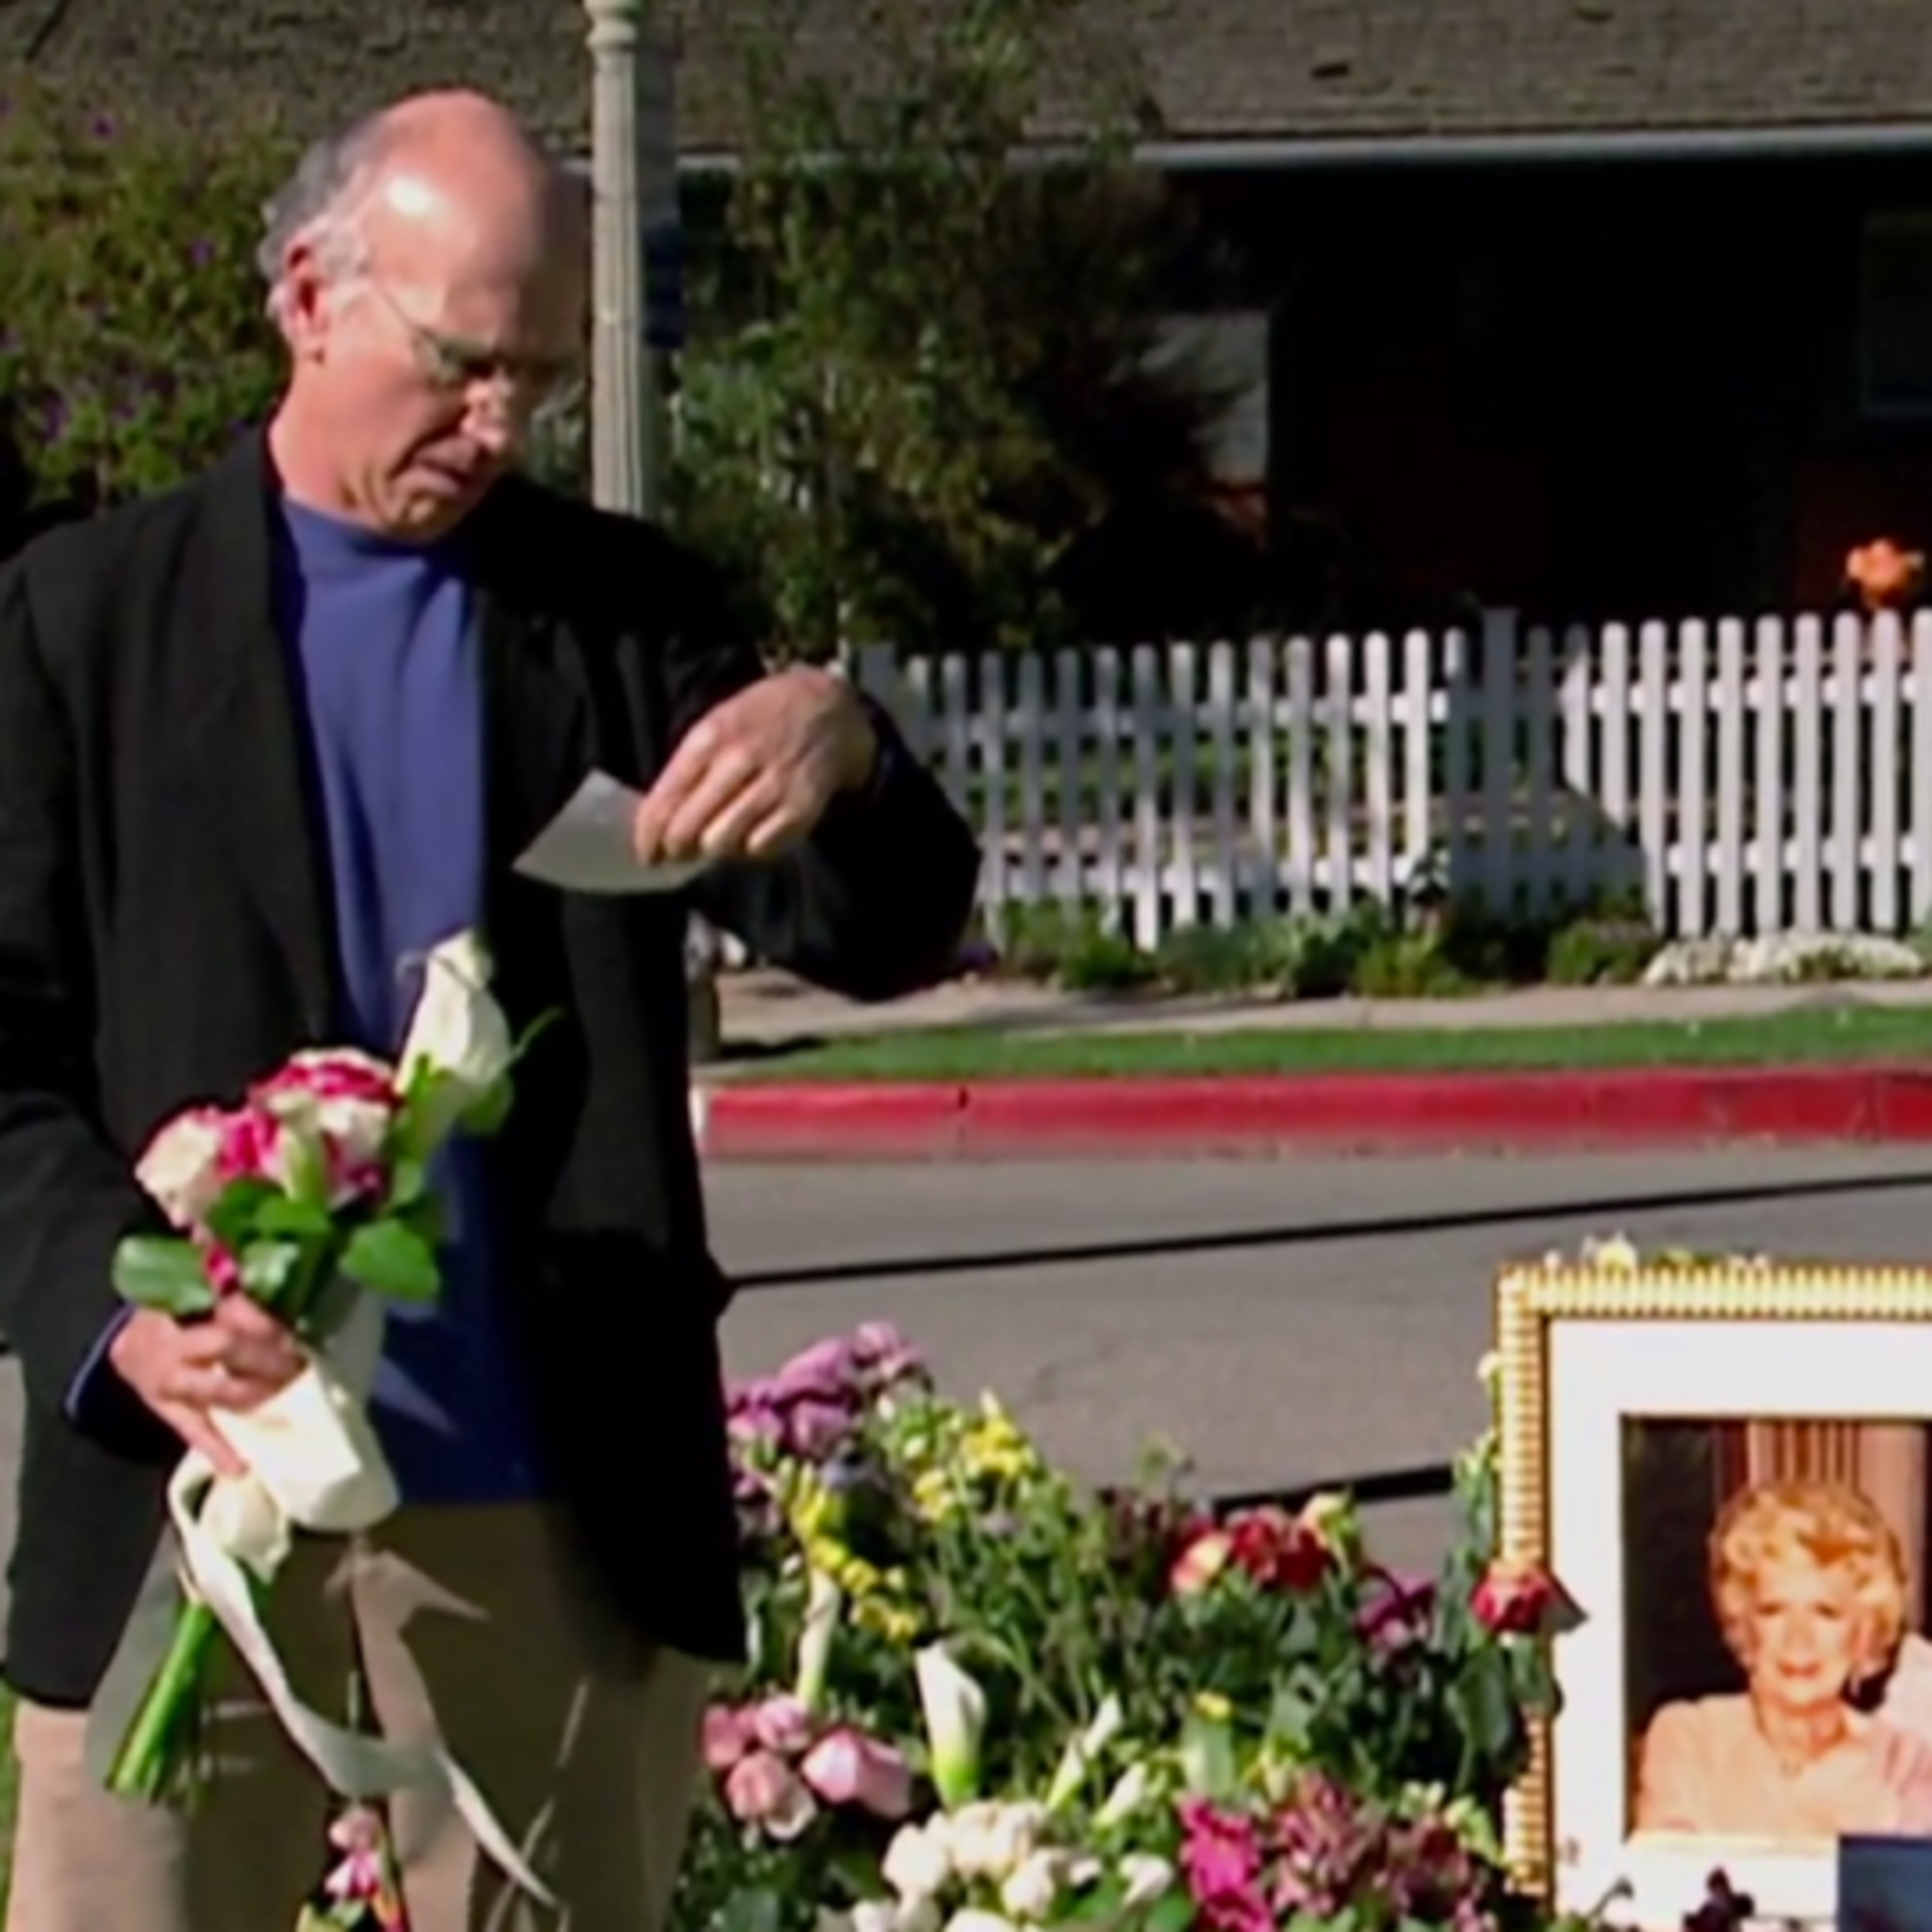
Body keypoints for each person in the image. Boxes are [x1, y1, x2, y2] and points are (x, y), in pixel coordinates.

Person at [0, 90, 980, 1932]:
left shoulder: (622, 619)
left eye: (536, 379)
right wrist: (118, 1324)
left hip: (543, 1483)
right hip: (183, 1483)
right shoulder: (78, 626)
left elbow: (884, 929)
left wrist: (844, 747)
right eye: (460, 367)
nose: (497, 425)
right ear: (310, 296)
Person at [1634, 1479, 1932, 1839]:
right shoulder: (1691, 1739)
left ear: (1863, 1634)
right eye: (1773, 1611)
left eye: (1826, 1613)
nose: (1798, 1640)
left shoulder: (1904, 1765)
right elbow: (1667, 1886)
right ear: (1743, 1625)